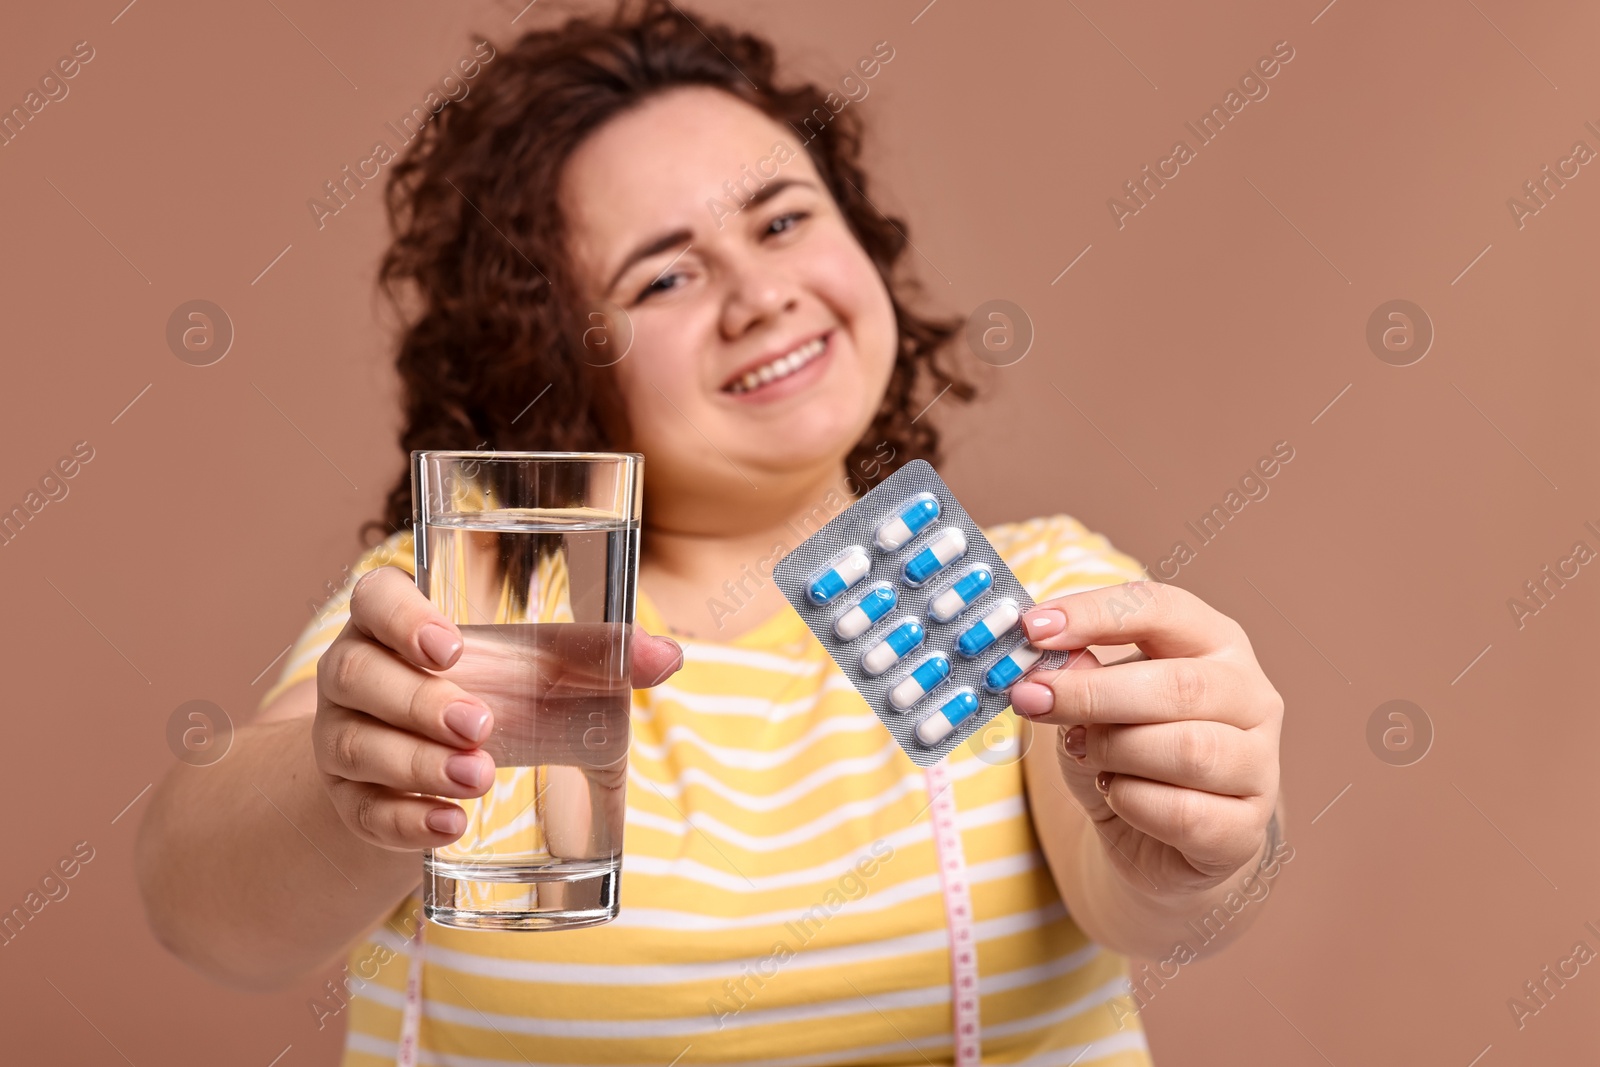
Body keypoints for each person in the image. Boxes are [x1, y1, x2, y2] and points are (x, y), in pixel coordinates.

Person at [135, 1, 1286, 1063]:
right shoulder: (473, 608)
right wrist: (345, 788)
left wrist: (1202, 847)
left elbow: (1136, 886)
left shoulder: (1041, 589)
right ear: (553, 350)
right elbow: (207, 910)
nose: (757, 293)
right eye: (664, 276)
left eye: (782, 220)